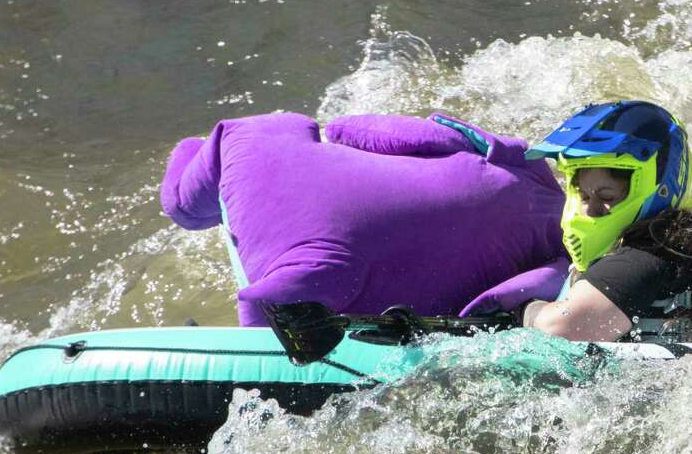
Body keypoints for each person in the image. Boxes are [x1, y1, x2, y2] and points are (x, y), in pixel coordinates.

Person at [160, 112, 567, 326]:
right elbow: (491, 304)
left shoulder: (521, 162)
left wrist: (345, 140)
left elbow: (360, 130)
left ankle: (192, 154)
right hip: (318, 261)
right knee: (285, 304)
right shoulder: (567, 261)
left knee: (185, 203)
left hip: (260, 149)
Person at [517, 101, 692, 345]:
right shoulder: (684, 241)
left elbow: (561, 329)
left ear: (659, 187)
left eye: (607, 197)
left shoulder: (653, 253)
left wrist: (525, 310)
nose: (592, 210)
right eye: (584, 196)